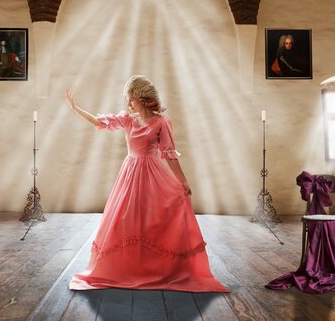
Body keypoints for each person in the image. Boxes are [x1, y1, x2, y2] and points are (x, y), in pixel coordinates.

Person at [65, 75, 228, 292]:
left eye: (132, 98)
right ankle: (128, 267)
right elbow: (99, 121)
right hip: (130, 173)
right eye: (128, 98)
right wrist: (75, 108)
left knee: (155, 217)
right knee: (125, 218)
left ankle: (159, 266)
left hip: (152, 174)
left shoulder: (162, 122)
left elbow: (169, 155)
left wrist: (183, 182)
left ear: (143, 98)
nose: (129, 102)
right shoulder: (127, 119)